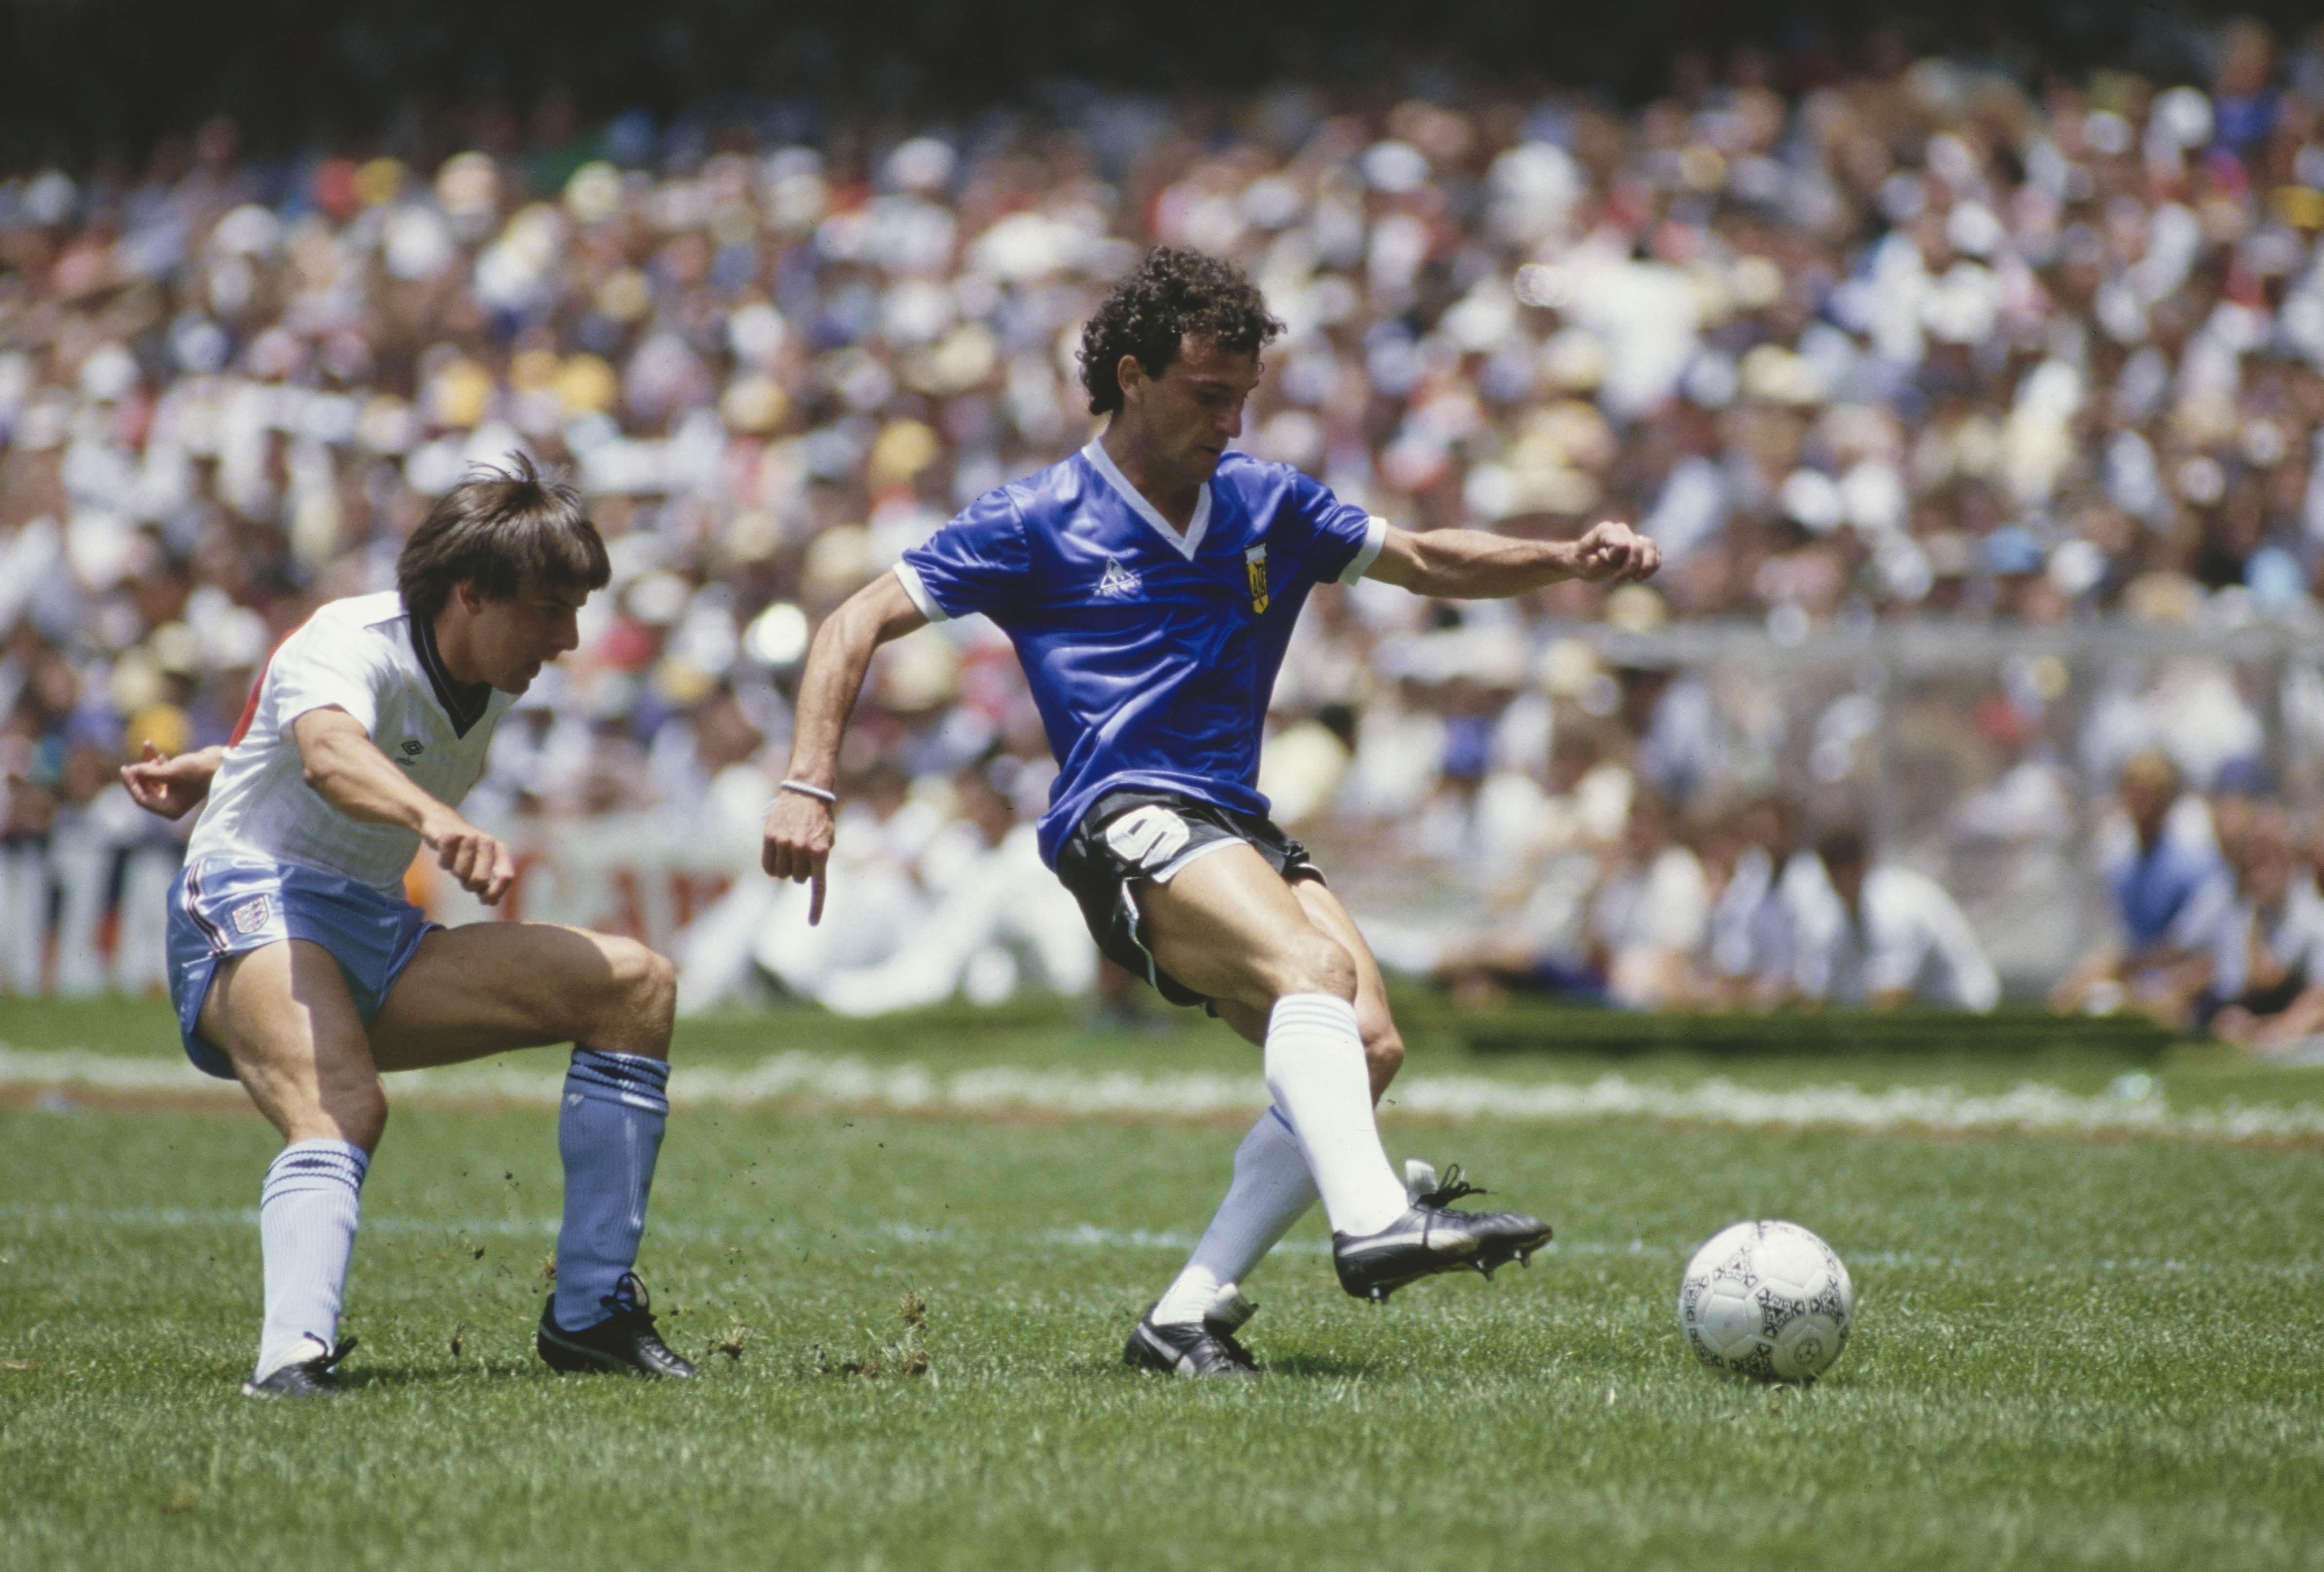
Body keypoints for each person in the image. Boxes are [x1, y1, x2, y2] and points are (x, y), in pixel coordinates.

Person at [760, 247, 1660, 1376]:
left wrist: (1561, 560)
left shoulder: (1264, 503)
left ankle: (1184, 1315)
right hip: (1121, 817)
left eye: (1242, 398)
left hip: (1232, 822)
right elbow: (849, 624)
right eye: (1204, 396)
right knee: (1312, 977)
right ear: (1130, 377)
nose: (1228, 422)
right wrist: (807, 781)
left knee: (1369, 1045)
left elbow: (1426, 559)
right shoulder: (1034, 518)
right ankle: (1375, 1217)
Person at [120, 458, 694, 1397]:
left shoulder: (492, 670)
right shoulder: (351, 635)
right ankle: (290, 1359)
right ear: (471, 592)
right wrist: (441, 820)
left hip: (372, 928)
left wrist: (220, 765)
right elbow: (330, 752)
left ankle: (590, 1313)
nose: (572, 637)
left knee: (635, 985)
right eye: (551, 608)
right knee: (344, 1102)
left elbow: (335, 741)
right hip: (249, 901)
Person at [2049, 751, 2230, 1025]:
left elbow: (2193, 947)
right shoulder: (2122, 869)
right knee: (2071, 991)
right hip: (2139, 974)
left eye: (2149, 795)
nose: (2140, 805)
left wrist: (2124, 964)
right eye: (2133, 794)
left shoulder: (2194, 867)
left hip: (2183, 976)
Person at [1785, 826, 2000, 1012]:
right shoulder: (1833, 916)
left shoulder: (1895, 908)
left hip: (1966, 1004)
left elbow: (1892, 997)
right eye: (1836, 871)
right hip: (1927, 1009)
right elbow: (1818, 991)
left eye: (1850, 869)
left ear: (1864, 864)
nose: (1844, 879)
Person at [2205, 803, 2324, 1051]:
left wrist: (2282, 1026)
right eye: (2255, 853)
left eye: (2270, 852)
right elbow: (2235, 987)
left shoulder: (2309, 910)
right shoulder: (2241, 912)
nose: (2260, 863)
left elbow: (2270, 976)